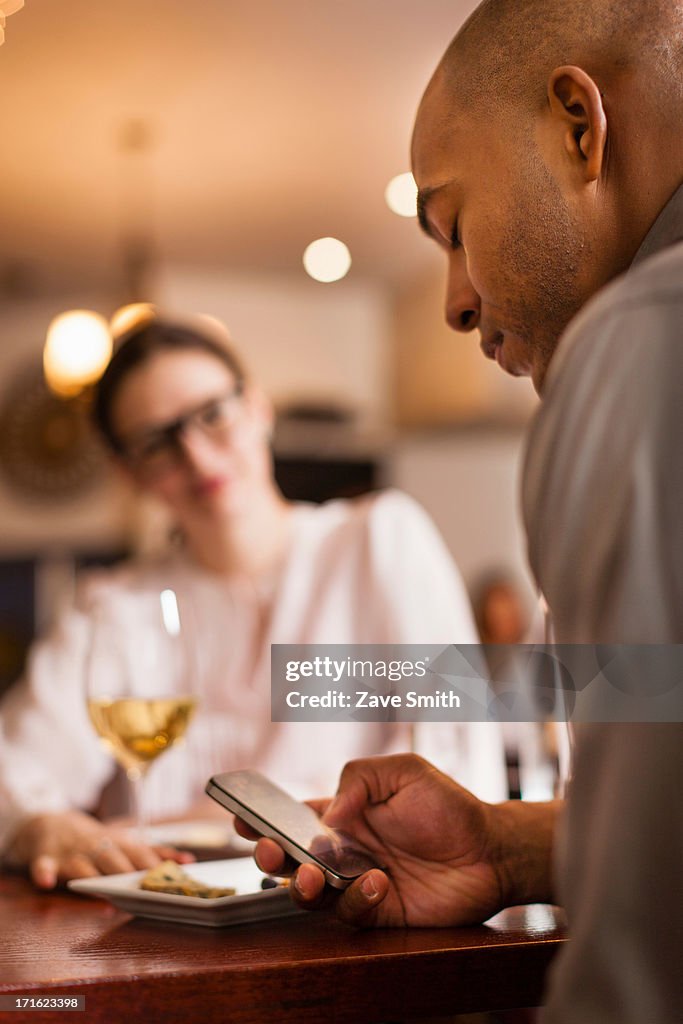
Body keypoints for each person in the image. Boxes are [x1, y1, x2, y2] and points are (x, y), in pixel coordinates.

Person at [248, 1, 683, 1020]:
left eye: (450, 225)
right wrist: (504, 843)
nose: (451, 300)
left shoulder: (639, 349)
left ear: (578, 125)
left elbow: (644, 970)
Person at [0, 314, 505, 889]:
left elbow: (459, 764)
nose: (196, 456)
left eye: (212, 415)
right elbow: (14, 772)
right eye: (156, 442)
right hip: (167, 934)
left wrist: (175, 822)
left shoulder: (377, 542)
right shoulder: (111, 605)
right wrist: (44, 826)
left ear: (259, 407)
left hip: (362, 921)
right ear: (127, 472)